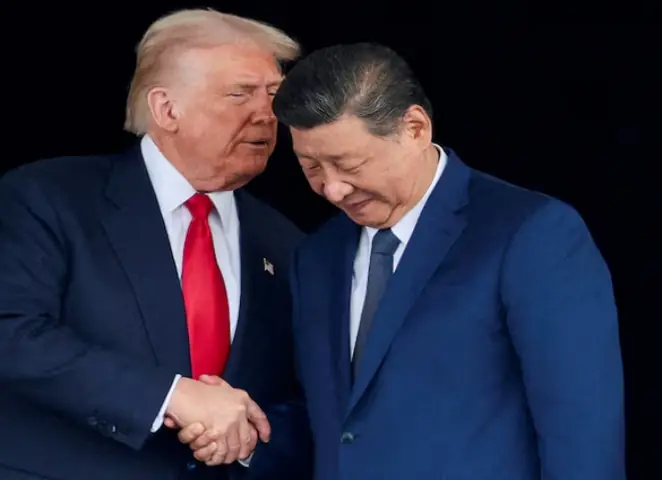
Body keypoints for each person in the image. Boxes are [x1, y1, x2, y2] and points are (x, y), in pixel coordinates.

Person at [180, 42, 627, 479]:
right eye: (311, 168)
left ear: (415, 128)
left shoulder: (529, 234)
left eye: (349, 164)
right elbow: (335, 424)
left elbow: (581, 431)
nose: (332, 189)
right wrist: (244, 436)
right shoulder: (317, 256)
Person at [0, 9, 312, 480]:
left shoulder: (287, 243)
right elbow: (11, 333)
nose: (268, 114)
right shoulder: (49, 197)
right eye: (240, 93)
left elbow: (305, 394)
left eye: (274, 94)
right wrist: (169, 396)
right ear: (167, 109)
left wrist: (244, 441)